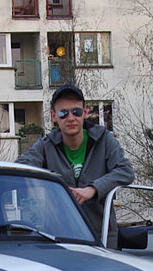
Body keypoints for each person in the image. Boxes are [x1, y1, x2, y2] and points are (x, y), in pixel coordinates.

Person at [16, 84, 134, 240]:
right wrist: (49, 185)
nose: (70, 118)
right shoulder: (46, 145)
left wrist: (93, 189)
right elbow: (20, 167)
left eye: (76, 112)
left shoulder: (103, 139)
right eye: (63, 113)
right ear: (54, 116)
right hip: (60, 236)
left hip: (101, 235)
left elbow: (125, 171)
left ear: (85, 113)